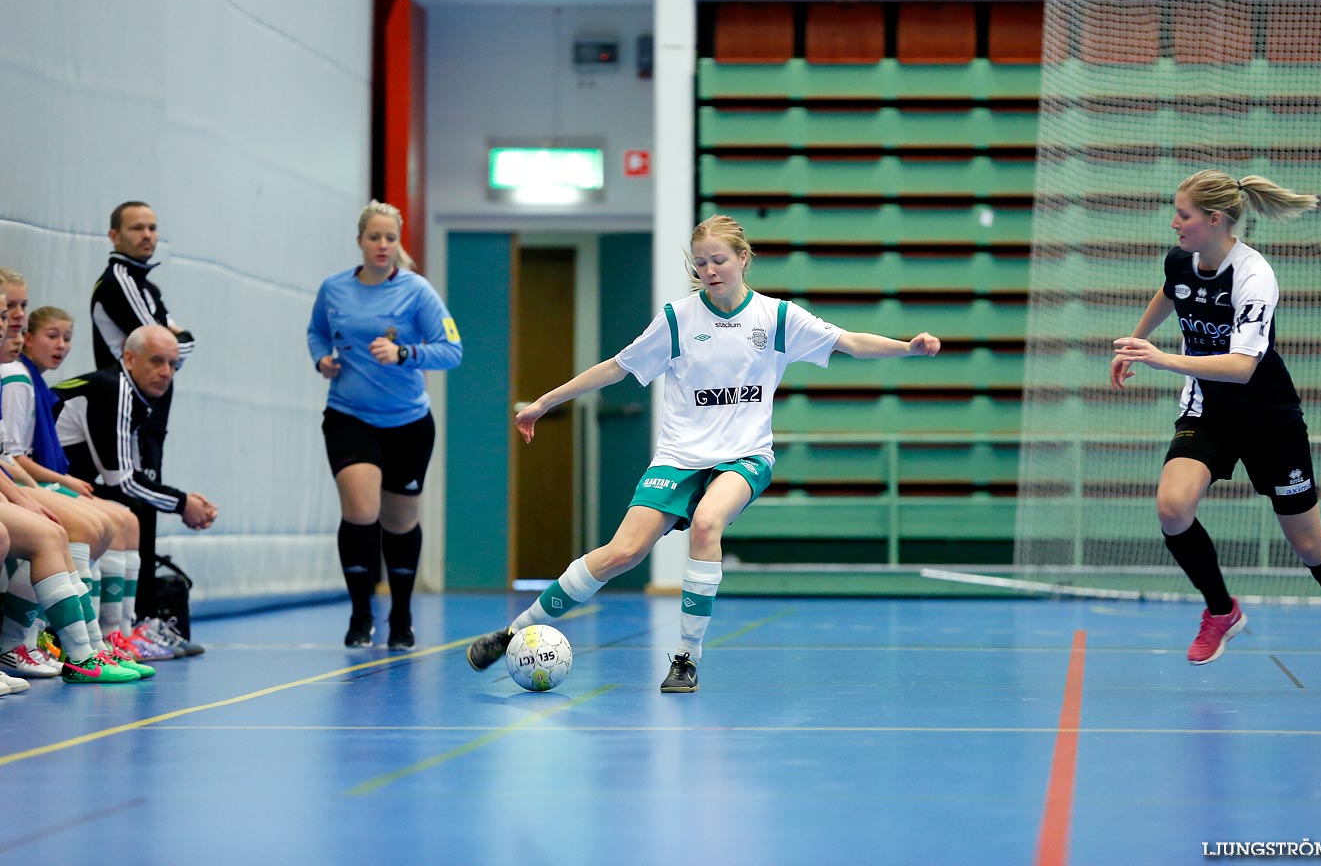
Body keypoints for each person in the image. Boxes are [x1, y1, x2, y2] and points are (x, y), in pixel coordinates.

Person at [466, 214, 941, 693]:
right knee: (621, 553)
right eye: (701, 264)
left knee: (708, 523)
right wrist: (545, 402)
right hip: (679, 455)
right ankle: (511, 633)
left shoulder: (776, 318)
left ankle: (685, 660)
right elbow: (616, 368)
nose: (710, 271)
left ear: (743, 259)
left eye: (719, 260)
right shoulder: (677, 319)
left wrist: (908, 347)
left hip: (744, 456)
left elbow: (851, 342)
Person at [1110, 170, 1321, 693]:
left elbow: (1242, 365)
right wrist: (1136, 339)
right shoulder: (1181, 260)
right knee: (1173, 509)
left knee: (1309, 545)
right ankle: (1222, 611)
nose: (1175, 223)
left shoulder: (1254, 276)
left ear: (1215, 220)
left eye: (1184, 215)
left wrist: (1163, 358)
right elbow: (1172, 291)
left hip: (1268, 420)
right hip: (1208, 411)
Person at [306, 201, 463, 651]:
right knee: (360, 510)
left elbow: (452, 350)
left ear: (398, 243)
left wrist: (405, 354)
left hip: (408, 423)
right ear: (360, 241)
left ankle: (401, 614)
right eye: (374, 237)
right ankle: (360, 616)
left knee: (399, 522)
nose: (382, 245)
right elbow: (316, 332)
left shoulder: (416, 291)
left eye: (390, 238)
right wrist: (322, 359)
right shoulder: (334, 289)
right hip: (349, 416)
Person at [53, 324, 214, 658]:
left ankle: (120, 632)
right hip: (42, 481)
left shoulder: (133, 396)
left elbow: (128, 475)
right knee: (122, 515)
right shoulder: (114, 390)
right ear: (129, 358)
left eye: (173, 364)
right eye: (157, 361)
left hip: (64, 482)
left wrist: (183, 502)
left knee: (129, 518)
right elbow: (122, 481)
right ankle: (87, 640)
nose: (166, 372)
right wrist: (184, 504)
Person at [91, 201, 196, 623]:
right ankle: (129, 624)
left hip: (150, 416)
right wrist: (174, 338)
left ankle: (141, 620)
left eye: (153, 228)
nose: (147, 235)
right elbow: (170, 344)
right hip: (126, 414)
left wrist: (176, 338)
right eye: (137, 228)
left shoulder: (147, 287)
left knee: (144, 515)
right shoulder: (120, 282)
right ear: (114, 235)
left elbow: (176, 345)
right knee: (131, 507)